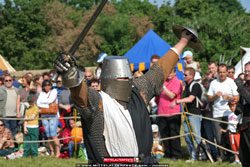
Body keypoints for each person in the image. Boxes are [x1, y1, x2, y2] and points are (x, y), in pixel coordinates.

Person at [54, 28, 198, 164]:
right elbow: (81, 96)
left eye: (126, 78)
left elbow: (161, 69)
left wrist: (183, 41)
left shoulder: (138, 91)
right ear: (107, 79)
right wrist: (70, 73)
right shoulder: (99, 101)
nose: (124, 82)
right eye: (120, 79)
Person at [207, 63, 239, 160]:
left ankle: (233, 156)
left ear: (226, 72)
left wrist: (229, 97)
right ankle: (222, 155)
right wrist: (215, 96)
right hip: (217, 113)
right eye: (220, 72)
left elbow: (237, 97)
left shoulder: (231, 82)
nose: (222, 74)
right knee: (219, 136)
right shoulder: (213, 83)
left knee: (230, 135)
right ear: (217, 72)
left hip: (229, 113)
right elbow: (209, 98)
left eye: (224, 72)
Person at [170, 67, 202, 162]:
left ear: (191, 76)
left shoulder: (195, 85)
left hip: (194, 114)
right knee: (187, 137)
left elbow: (190, 99)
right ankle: (192, 157)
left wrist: (177, 102)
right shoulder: (186, 86)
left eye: (185, 75)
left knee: (196, 136)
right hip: (187, 114)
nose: (183, 76)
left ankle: (199, 156)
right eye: (184, 74)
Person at [158, 68, 182, 160]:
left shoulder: (176, 82)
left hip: (173, 113)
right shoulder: (164, 82)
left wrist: (163, 87)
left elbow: (172, 95)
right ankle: (168, 153)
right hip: (162, 112)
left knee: (174, 135)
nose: (169, 74)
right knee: (165, 135)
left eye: (171, 72)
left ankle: (176, 155)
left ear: (175, 73)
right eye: (167, 72)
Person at [36, 80, 60, 157]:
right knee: (48, 135)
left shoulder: (54, 91)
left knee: (53, 134)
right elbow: (38, 103)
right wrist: (47, 105)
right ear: (43, 86)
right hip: (44, 115)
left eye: (49, 85)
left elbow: (51, 100)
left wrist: (44, 103)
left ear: (51, 85)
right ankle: (52, 151)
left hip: (53, 115)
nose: (47, 86)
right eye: (45, 85)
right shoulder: (42, 93)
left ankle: (58, 152)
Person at [234, 61, 250, 167]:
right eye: (246, 71)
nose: (247, 73)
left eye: (249, 71)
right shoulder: (246, 86)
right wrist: (238, 108)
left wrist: (240, 87)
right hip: (244, 125)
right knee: (244, 156)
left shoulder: (243, 87)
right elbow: (243, 103)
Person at [220, 101, 241, 165]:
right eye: (230, 106)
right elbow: (229, 125)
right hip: (231, 133)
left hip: (237, 133)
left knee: (239, 146)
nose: (231, 107)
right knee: (233, 147)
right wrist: (226, 130)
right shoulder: (229, 114)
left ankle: (241, 159)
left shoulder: (239, 114)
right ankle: (236, 160)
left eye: (233, 106)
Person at [0, 74, 19, 138]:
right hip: (4, 115)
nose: (8, 82)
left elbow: (18, 102)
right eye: (6, 80)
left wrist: (18, 113)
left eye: (10, 80)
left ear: (12, 81)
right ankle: (6, 146)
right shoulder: (1, 89)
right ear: (4, 81)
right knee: (5, 131)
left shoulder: (16, 90)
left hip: (14, 115)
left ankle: (12, 146)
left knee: (13, 131)